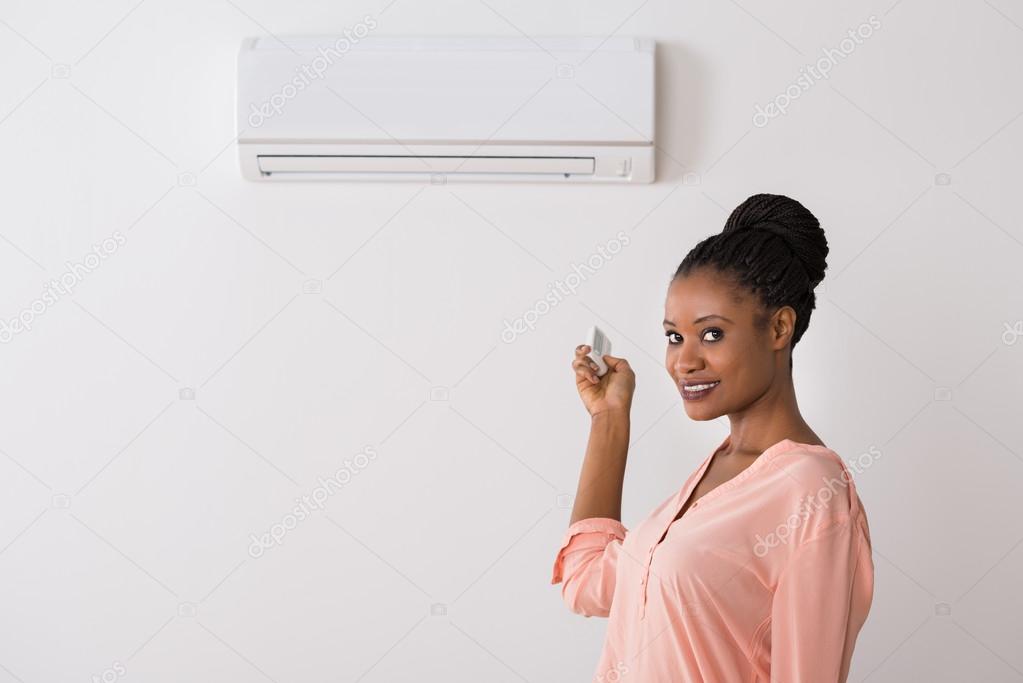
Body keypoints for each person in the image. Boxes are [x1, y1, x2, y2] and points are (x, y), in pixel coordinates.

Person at [552, 193, 874, 682]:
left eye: (712, 334)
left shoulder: (813, 490)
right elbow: (586, 583)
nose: (685, 361)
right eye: (674, 337)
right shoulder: (715, 471)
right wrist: (609, 419)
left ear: (779, 328)